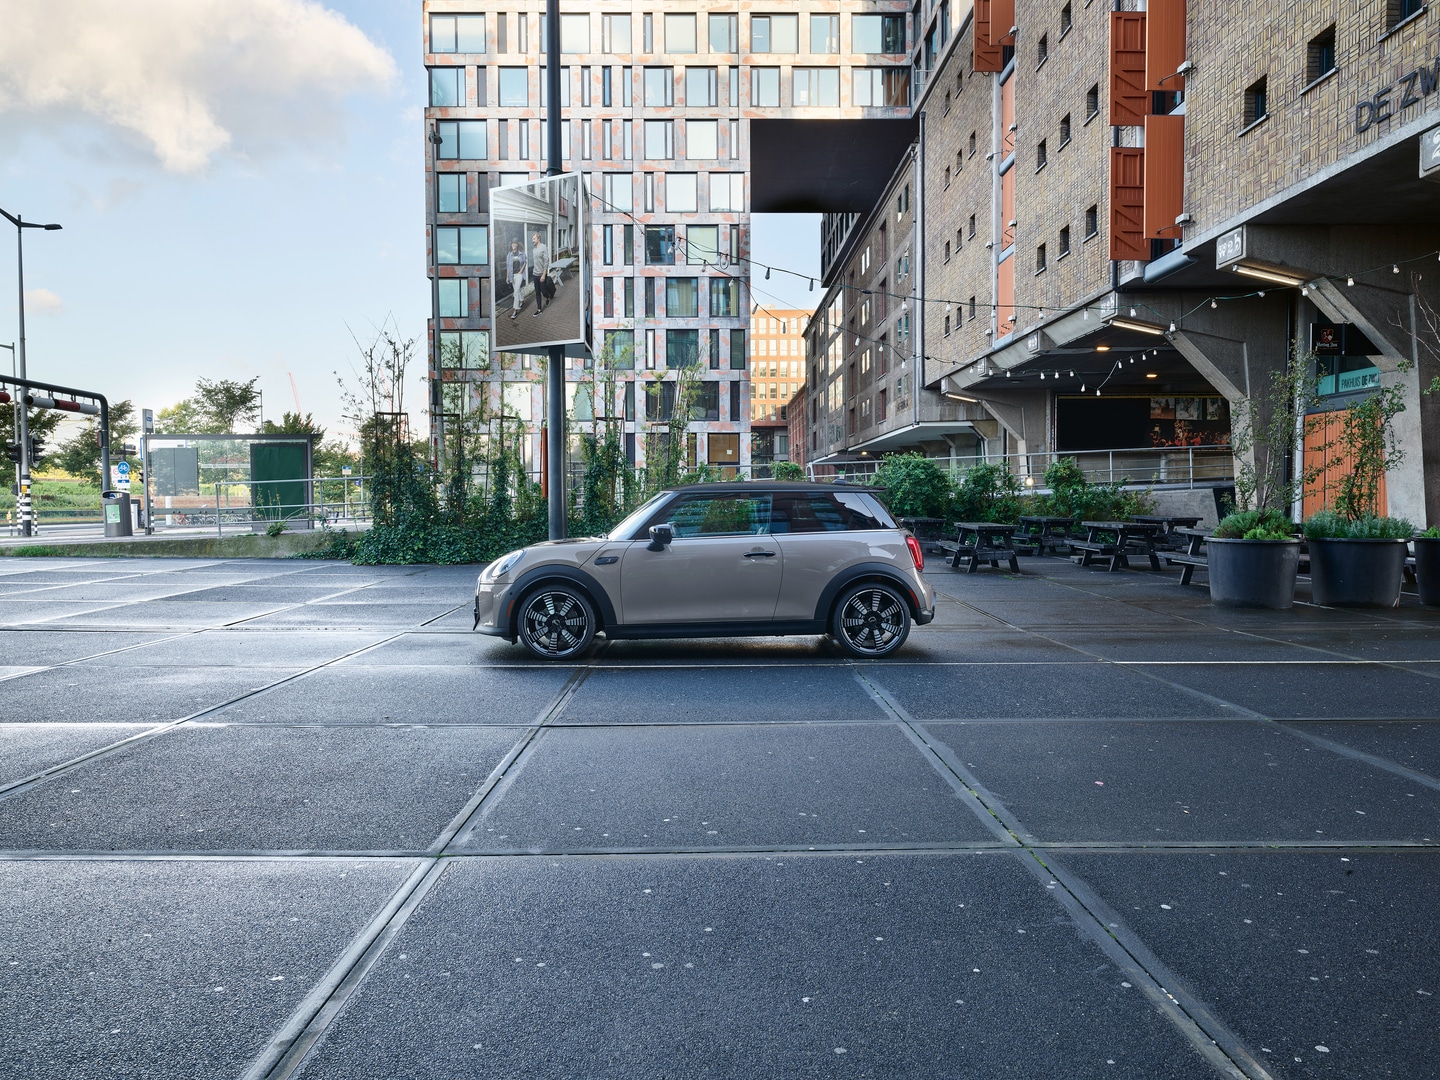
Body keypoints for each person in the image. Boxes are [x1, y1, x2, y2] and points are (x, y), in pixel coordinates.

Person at [530, 231, 550, 316]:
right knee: (537, 292)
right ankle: (539, 309)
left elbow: (546, 261)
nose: (532, 240)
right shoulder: (534, 250)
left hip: (542, 274)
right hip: (535, 274)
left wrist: (544, 274)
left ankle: (547, 297)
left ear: (538, 239)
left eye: (534, 239)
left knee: (543, 291)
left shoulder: (543, 247)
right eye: (532, 239)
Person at [506, 240, 526, 319]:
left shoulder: (521, 253)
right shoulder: (509, 255)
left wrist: (521, 271)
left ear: (517, 245)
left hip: (519, 275)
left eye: (515, 243)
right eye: (512, 244)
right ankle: (522, 301)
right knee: (517, 290)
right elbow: (508, 267)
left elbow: (525, 262)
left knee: (516, 292)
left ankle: (515, 310)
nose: (513, 245)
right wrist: (507, 277)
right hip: (512, 275)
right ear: (511, 245)